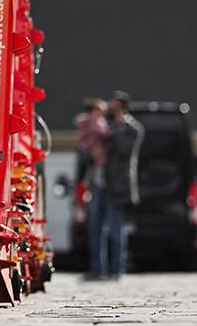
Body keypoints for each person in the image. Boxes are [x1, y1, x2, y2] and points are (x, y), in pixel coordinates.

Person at [99, 90, 144, 279]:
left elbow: (125, 149)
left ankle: (117, 269)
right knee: (98, 228)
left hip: (118, 186)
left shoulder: (132, 128)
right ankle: (99, 268)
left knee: (117, 228)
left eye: (116, 106)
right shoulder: (107, 126)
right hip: (102, 183)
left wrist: (118, 129)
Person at [78, 97, 112, 280]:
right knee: (100, 224)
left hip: (93, 172)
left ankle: (97, 266)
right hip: (100, 173)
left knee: (96, 226)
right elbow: (107, 135)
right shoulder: (97, 123)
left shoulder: (84, 123)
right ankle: (100, 267)